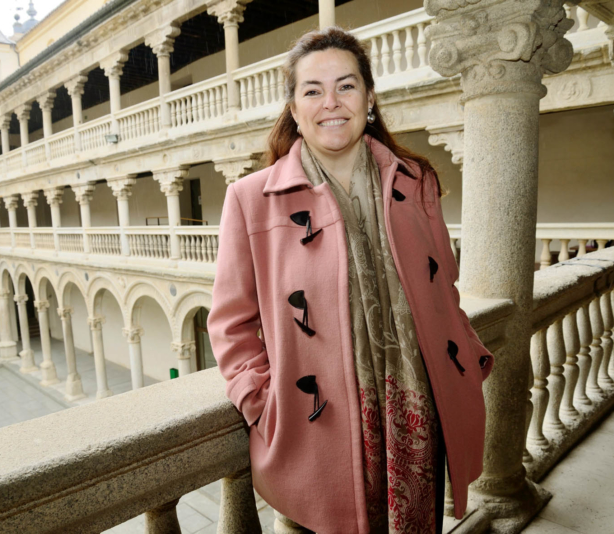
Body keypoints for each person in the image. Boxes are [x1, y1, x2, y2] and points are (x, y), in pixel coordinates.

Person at [207, 26, 495, 534]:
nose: (331, 103)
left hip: (416, 414)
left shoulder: (416, 179)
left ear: (370, 97)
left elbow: (442, 285)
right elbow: (231, 322)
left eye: (346, 85)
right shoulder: (251, 199)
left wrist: (465, 360)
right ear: (294, 110)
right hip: (320, 428)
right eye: (312, 91)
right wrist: (265, 404)